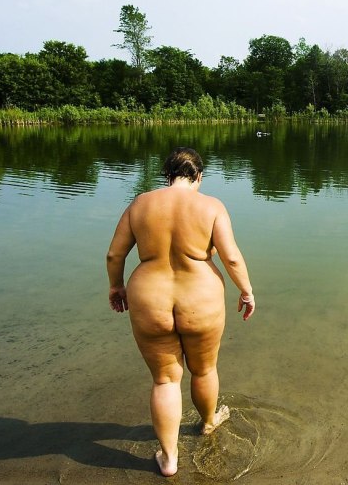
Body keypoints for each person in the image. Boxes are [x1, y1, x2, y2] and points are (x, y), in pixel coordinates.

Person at [107, 147, 255, 476]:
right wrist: (246, 290)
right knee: (203, 370)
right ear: (199, 176)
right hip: (200, 298)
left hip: (150, 299)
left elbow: (114, 255)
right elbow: (231, 257)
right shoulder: (211, 206)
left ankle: (169, 458)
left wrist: (116, 286)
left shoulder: (140, 204)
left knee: (164, 380)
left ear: (167, 175)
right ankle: (208, 422)